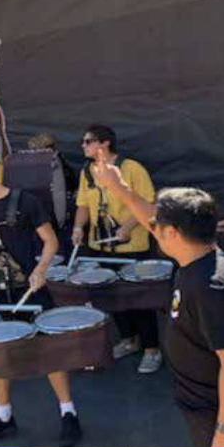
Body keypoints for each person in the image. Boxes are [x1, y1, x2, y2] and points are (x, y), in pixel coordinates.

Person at [92, 151, 224, 447]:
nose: (152, 227)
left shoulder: (211, 286)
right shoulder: (199, 256)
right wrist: (119, 188)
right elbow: (152, 221)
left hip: (218, 413)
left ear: (171, 232)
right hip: (203, 404)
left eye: (157, 225)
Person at [0, 154, 83, 446]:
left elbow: (51, 241)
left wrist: (40, 270)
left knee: (48, 351)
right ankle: (3, 416)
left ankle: (68, 413)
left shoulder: (26, 202)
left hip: (30, 288)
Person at [72, 124, 161, 373]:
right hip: (100, 246)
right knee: (112, 297)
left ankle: (152, 349)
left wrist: (128, 227)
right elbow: (82, 204)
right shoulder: (87, 172)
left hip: (132, 246)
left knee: (140, 299)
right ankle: (129, 340)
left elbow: (148, 202)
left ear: (104, 143)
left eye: (88, 141)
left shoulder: (132, 168)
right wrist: (78, 227)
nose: (83, 146)